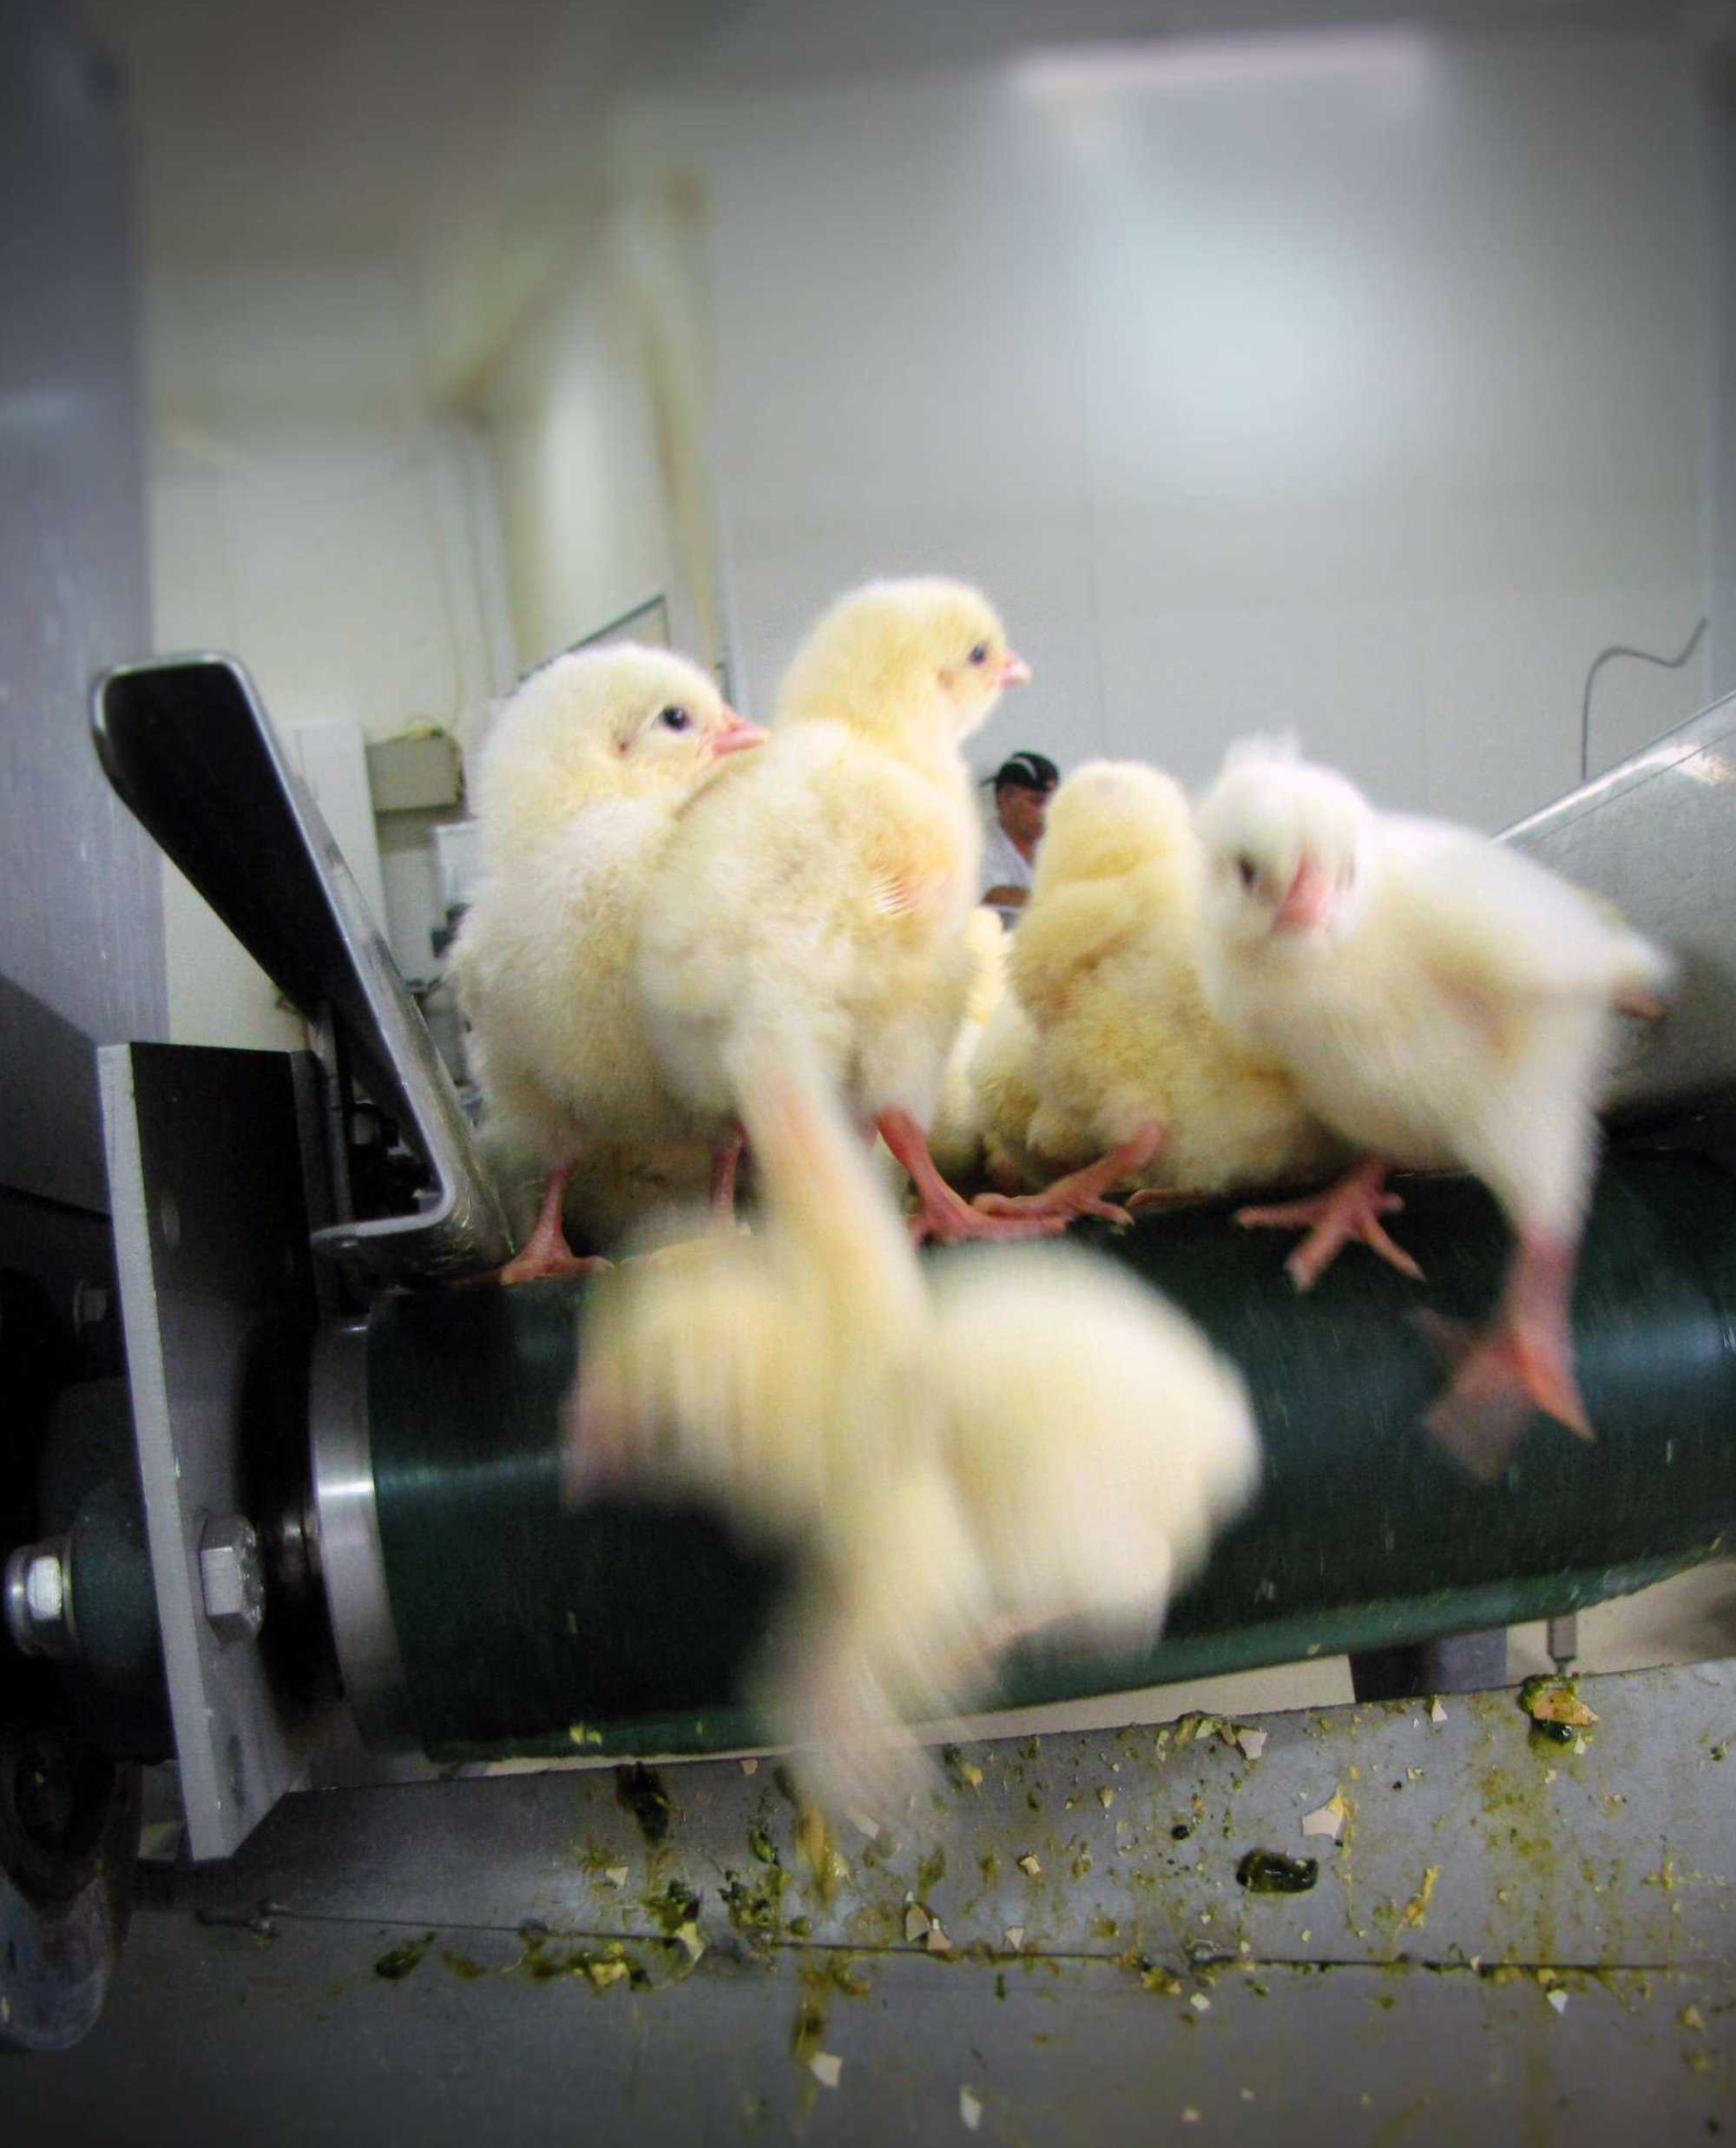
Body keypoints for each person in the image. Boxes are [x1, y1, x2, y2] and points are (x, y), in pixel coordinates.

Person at [980, 751, 1059, 923]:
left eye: (1052, 802)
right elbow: (993, 895)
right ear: (1004, 799)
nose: (1047, 812)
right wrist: (1060, 901)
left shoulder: (1056, 846)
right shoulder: (979, 846)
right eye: (1037, 802)